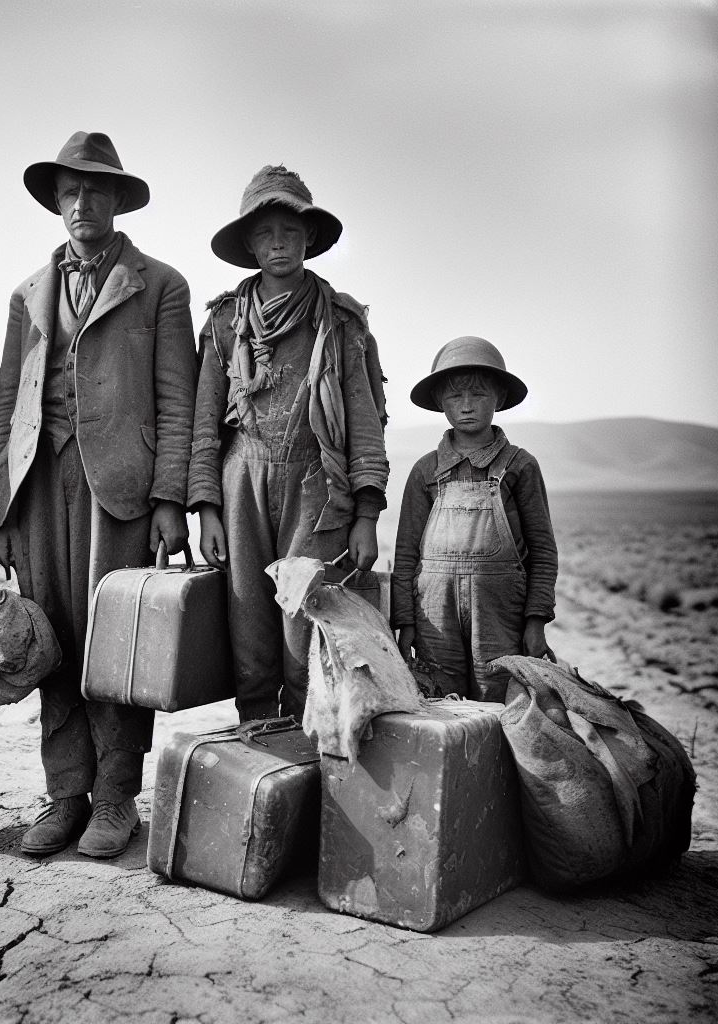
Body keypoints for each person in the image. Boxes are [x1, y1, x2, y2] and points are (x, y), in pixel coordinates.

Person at [0, 131, 196, 859]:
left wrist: (170, 498)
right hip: (42, 487)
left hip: (123, 491)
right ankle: (64, 797)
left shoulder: (160, 284)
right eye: (70, 191)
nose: (82, 202)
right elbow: (10, 401)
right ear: (56, 202)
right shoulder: (25, 295)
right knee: (55, 640)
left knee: (120, 644)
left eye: (96, 190)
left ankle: (115, 801)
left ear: (115, 200)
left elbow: (177, 397)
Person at [188, 165, 389, 723]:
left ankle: (306, 762)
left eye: (291, 232)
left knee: (306, 637)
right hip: (241, 485)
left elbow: (366, 422)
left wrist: (367, 512)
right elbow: (206, 423)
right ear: (249, 244)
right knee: (248, 635)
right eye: (266, 233)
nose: (278, 244)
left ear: (309, 240)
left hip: (316, 485)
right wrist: (206, 508)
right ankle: (257, 756)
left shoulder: (340, 321)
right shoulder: (225, 321)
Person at [392, 336, 558, 702]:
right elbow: (405, 555)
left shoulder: (519, 465)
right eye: (455, 397)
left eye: (479, 395)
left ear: (499, 398)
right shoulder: (425, 470)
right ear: (440, 403)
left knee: (501, 704)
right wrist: (405, 622)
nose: (467, 406)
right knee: (441, 709)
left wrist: (536, 622)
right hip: (434, 616)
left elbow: (543, 552)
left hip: (500, 615)